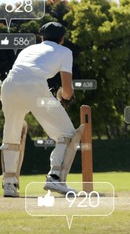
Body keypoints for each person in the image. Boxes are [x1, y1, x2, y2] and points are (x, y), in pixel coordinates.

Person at [1, 22, 82, 197]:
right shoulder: (65, 51)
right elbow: (67, 90)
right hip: (35, 86)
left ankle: (9, 185)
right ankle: (55, 178)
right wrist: (64, 96)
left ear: (41, 37)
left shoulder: (28, 50)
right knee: (67, 134)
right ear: (62, 39)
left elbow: (24, 72)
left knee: (11, 134)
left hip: (9, 85)